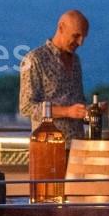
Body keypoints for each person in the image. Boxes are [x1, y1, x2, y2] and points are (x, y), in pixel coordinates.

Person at [18, 10, 89, 141]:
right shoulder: (34, 60)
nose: (80, 43)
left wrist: (89, 110)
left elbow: (76, 100)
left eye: (83, 37)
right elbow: (26, 107)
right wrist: (67, 111)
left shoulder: (76, 61)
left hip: (78, 146)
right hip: (49, 147)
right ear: (61, 27)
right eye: (76, 36)